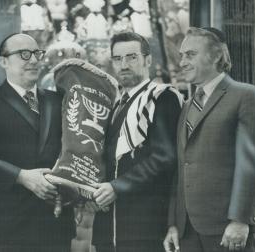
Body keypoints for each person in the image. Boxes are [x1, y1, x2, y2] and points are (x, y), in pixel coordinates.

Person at [0, 33, 74, 252]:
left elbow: (74, 150)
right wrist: (21, 176)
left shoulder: (58, 100)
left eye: (37, 53)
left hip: (56, 224)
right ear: (3, 61)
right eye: (24, 54)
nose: (34, 60)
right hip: (9, 227)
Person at [164, 27, 255, 252]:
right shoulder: (187, 106)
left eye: (190, 54)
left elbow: (252, 164)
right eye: (181, 55)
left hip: (229, 229)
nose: (182, 62)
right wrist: (173, 223)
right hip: (188, 232)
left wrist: (240, 220)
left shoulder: (246, 95)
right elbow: (181, 168)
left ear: (216, 56)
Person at [91, 32, 182, 252]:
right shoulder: (114, 105)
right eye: (117, 59)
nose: (124, 65)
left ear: (148, 60)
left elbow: (165, 158)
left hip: (145, 226)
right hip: (107, 226)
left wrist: (117, 187)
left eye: (132, 57)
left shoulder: (162, 97)